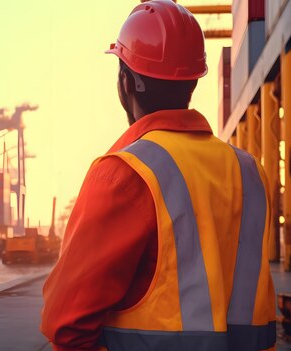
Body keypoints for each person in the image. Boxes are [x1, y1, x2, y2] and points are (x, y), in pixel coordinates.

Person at [40, 1, 277, 350]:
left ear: (126, 82)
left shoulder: (124, 175)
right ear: (193, 82)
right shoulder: (248, 172)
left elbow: (65, 325)